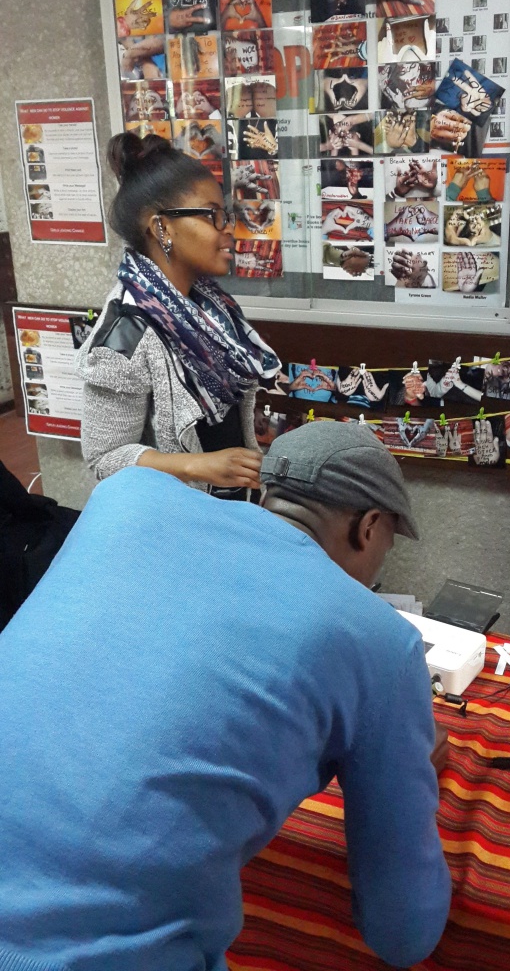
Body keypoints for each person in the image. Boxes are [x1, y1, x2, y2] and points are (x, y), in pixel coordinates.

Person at [0, 420, 451, 970]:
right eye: (386, 545)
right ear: (369, 526)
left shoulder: (125, 496)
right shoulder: (379, 639)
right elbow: (403, 934)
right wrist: (405, 761)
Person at [76, 133, 281, 498]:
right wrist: (196, 466)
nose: (228, 229)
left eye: (226, 215)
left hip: (230, 510)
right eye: (212, 215)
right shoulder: (126, 330)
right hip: (175, 519)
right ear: (162, 227)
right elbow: (104, 459)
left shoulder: (210, 309)